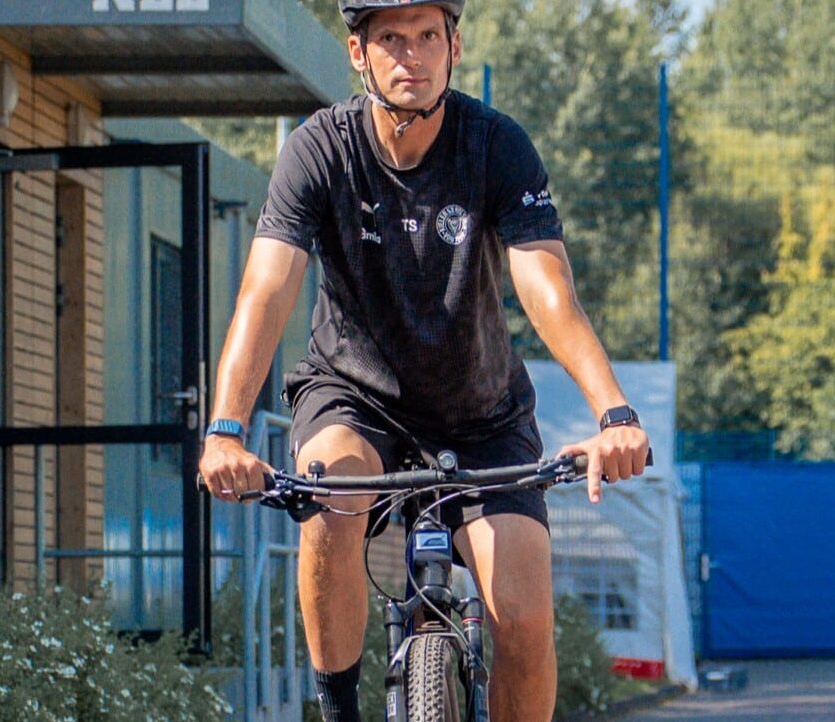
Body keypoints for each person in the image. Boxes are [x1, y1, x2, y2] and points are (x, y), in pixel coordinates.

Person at [194, 2, 650, 720]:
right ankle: (339, 709)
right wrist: (225, 428)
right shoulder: (320, 149)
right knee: (331, 499)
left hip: (480, 412)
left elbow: (547, 286)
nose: (412, 55)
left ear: (454, 46)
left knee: (527, 622)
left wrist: (614, 412)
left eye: (428, 37)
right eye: (391, 39)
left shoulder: (496, 146)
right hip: (353, 394)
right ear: (358, 52)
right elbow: (266, 290)